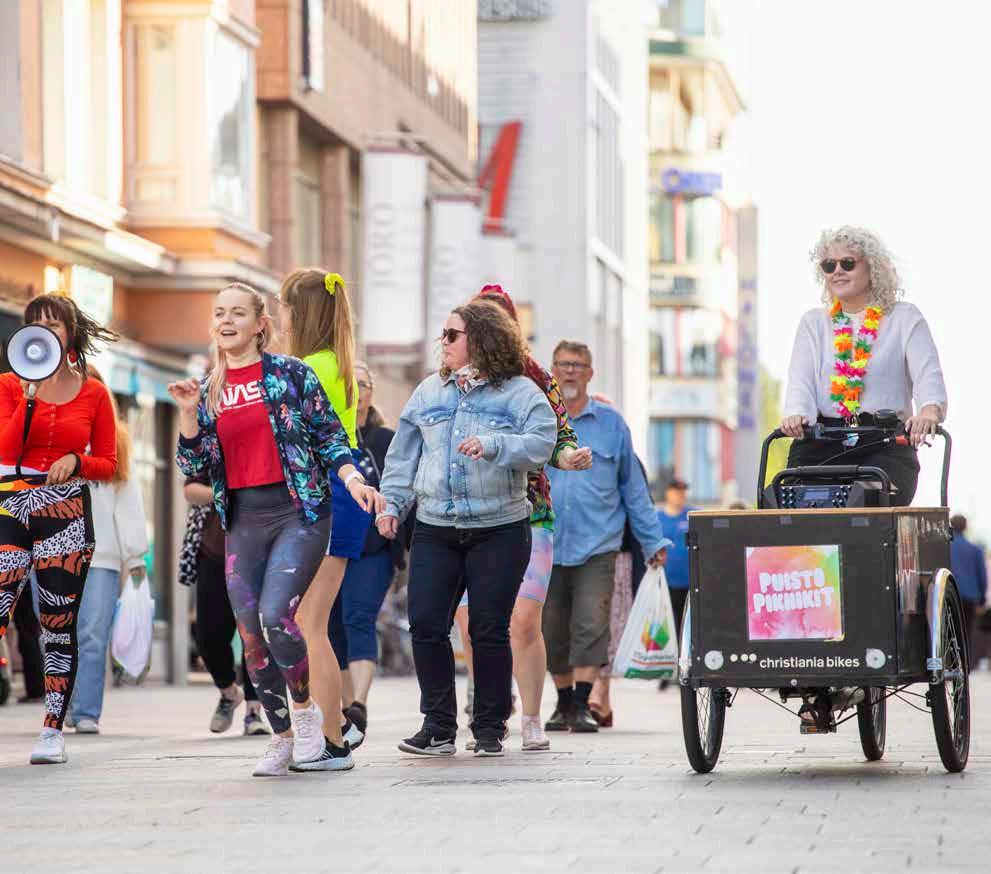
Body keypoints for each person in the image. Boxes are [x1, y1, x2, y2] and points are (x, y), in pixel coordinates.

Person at [169, 282, 384, 777]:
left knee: (276, 616)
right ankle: (282, 737)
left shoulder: (291, 373)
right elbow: (193, 465)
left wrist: (353, 479)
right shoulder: (209, 388)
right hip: (243, 519)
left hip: (298, 513)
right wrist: (187, 415)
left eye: (237, 313)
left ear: (259, 325)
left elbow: (331, 436)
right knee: (250, 634)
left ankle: (306, 719)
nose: (227, 321)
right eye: (219, 312)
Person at [377, 299, 557, 757]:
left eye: (452, 334)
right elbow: (402, 457)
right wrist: (392, 505)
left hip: (500, 526)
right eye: (443, 334)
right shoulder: (428, 392)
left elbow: (542, 443)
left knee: (488, 628)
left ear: (481, 339)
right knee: (425, 623)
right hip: (435, 525)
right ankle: (438, 727)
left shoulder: (520, 393)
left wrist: (495, 444)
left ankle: (489, 727)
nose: (444, 342)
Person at [451, 285, 592, 752]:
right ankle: (490, 707)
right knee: (472, 625)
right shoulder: (453, 378)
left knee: (524, 620)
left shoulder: (534, 375)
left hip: (529, 512)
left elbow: (560, 433)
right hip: (467, 514)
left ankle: (532, 717)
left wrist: (568, 456)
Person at [0, 293, 118, 764]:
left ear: (70, 334)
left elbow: (108, 462)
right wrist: (27, 398)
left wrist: (76, 460)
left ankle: (52, 729)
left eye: (54, 324)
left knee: (58, 622)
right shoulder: (8, 385)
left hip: (65, 512)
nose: (45, 332)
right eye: (36, 324)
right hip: (10, 504)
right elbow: (6, 447)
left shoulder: (94, 393)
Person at [543, 341, 671, 733]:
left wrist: (652, 541)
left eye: (578, 365)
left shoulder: (612, 425)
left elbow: (634, 488)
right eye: (564, 364)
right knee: (552, 628)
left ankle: (583, 703)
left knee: (591, 623)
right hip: (545, 542)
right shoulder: (538, 418)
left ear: (590, 373)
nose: (570, 371)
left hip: (598, 544)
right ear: (552, 370)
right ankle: (562, 703)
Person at [781, 226, 948, 505]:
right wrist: (796, 415)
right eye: (828, 265)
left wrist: (929, 412)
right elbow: (800, 383)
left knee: (862, 501)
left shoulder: (904, 317)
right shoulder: (813, 322)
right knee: (786, 501)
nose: (837, 271)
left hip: (883, 442)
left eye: (847, 263)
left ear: (872, 268)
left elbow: (928, 375)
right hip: (823, 440)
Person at [278, 269, 368, 754]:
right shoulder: (334, 362)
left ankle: (332, 737)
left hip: (328, 492)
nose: (280, 316)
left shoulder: (311, 366)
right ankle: (329, 733)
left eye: (284, 306)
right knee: (311, 624)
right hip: (338, 493)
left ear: (301, 312)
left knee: (310, 625)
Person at [63, 368, 148, 734]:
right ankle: (60, 707)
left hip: (101, 556)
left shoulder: (115, 440)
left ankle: (85, 712)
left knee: (93, 635)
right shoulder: (44, 435)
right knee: (55, 635)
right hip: (48, 553)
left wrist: (135, 556)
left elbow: (127, 502)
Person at [327, 362, 408, 737]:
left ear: (372, 391)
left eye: (363, 384)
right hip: (329, 546)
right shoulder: (327, 435)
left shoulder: (386, 440)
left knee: (358, 618)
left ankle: (359, 702)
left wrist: (401, 541)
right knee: (331, 626)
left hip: (374, 548)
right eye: (350, 384)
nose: (357, 391)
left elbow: (403, 488)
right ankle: (347, 708)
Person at [181, 473, 268, 736]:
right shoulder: (214, 450)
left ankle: (254, 711)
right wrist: (223, 493)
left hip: (256, 552)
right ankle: (229, 692)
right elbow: (190, 489)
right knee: (207, 636)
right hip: (214, 553)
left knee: (252, 633)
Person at [949, 514, 987, 672]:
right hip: (970, 596)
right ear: (965, 527)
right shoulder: (975, 550)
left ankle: (951, 661)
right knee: (967, 630)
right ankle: (966, 663)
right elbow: (982, 576)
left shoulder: (946, 547)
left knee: (950, 628)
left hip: (950, 594)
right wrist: (982, 599)